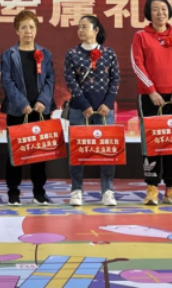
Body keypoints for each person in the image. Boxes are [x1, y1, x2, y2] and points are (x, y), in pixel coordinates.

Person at [132, 0, 172, 206]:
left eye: (164, 9)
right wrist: (151, 90)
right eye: (155, 9)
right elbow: (137, 64)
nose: (161, 13)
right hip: (149, 97)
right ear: (149, 14)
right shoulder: (140, 36)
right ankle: (151, 188)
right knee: (151, 143)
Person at [1, 11, 56, 206]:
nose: (28, 31)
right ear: (17, 30)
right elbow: (7, 81)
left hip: (40, 110)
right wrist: (21, 103)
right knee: (15, 153)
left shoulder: (45, 54)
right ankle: (13, 192)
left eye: (31, 27)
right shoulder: (9, 55)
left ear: (36, 30)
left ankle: (39, 192)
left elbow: (50, 79)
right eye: (23, 27)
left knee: (40, 153)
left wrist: (43, 100)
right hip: (17, 111)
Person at [65, 16, 121, 208]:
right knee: (77, 152)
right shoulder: (72, 53)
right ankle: (76, 190)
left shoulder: (109, 53)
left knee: (107, 151)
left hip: (105, 110)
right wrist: (83, 104)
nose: (80, 30)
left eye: (85, 27)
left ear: (96, 30)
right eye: (79, 27)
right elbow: (70, 81)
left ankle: (107, 190)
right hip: (80, 110)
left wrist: (108, 103)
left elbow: (115, 80)